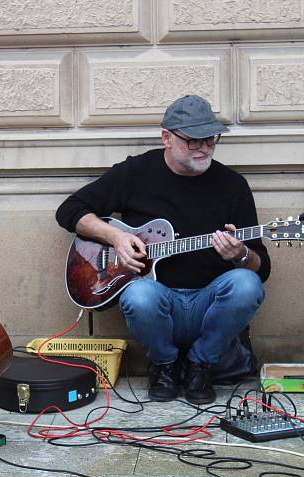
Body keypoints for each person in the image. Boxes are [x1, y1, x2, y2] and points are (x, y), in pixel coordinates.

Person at [55, 95, 270, 405]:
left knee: (246, 285)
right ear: (166, 137)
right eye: (194, 140)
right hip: (157, 302)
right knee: (139, 294)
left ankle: (201, 364)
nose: (205, 147)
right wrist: (115, 236)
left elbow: (262, 269)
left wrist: (241, 255)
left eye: (211, 138)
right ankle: (165, 365)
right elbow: (70, 210)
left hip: (208, 302)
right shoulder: (136, 173)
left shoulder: (232, 185)